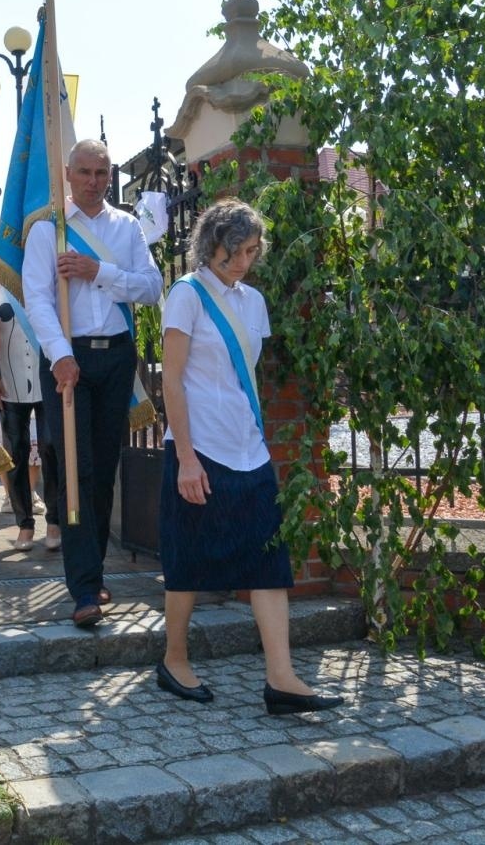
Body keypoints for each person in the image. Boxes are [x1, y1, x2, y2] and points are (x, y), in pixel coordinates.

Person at [156, 198, 343, 715]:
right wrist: (187, 460)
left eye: (253, 252)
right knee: (188, 558)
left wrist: (255, 435)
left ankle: (280, 678)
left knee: (269, 561)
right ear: (211, 245)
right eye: (235, 251)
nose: (243, 262)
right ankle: (174, 660)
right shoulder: (186, 295)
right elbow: (171, 379)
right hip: (199, 446)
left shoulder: (253, 302)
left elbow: (247, 376)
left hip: (247, 448)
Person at [23, 139, 162, 628]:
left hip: (118, 356)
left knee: (104, 472)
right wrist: (60, 356)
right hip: (69, 358)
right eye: (83, 172)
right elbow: (37, 299)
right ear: (67, 173)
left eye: (101, 173)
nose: (92, 181)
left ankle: (94, 569)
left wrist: (97, 271)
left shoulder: (125, 228)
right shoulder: (47, 231)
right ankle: (82, 589)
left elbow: (152, 286)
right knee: (77, 470)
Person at [0, 276, 62, 553]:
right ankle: (24, 523)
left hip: (48, 380)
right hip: (11, 382)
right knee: (16, 453)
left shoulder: (48, 277)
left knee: (51, 446)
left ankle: (54, 520)